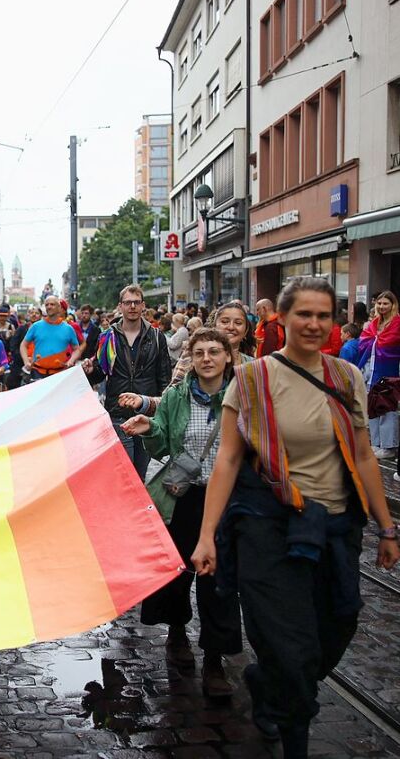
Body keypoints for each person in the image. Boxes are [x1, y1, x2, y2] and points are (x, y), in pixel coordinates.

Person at [191, 277, 398, 757]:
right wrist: (207, 537)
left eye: (323, 315)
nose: (314, 323)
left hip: (335, 526)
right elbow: (227, 459)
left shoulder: (347, 376)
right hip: (269, 524)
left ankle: (269, 683)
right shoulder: (251, 378)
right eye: (304, 313)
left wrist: (386, 528)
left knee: (341, 620)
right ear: (281, 319)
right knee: (291, 647)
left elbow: (364, 455)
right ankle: (294, 735)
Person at [121, 329, 242, 696]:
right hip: (182, 496)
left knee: (218, 583)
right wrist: (147, 429)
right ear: (190, 357)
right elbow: (162, 442)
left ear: (227, 357)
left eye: (214, 351)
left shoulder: (242, 395)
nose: (207, 358)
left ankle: (214, 662)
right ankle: (177, 634)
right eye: (200, 352)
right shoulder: (175, 395)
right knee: (177, 576)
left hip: (224, 500)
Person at [83, 285, 172, 479]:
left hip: (146, 414)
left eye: (136, 302)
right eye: (127, 302)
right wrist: (91, 370)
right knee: (123, 473)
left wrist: (163, 411)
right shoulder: (108, 336)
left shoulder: (157, 338)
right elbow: (101, 372)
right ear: (120, 306)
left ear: (143, 306)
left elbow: (164, 377)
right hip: (118, 412)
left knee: (140, 473)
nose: (132, 306)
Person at [357, 291, 400, 460]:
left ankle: (389, 446)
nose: (382, 306)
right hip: (371, 372)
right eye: (380, 303)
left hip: (390, 373)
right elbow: (365, 343)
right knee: (373, 408)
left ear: (393, 305)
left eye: (386, 304)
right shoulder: (374, 324)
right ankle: (376, 443)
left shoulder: (397, 324)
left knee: (387, 410)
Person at [20, 296, 84, 380]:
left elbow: (77, 349)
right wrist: (26, 362)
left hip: (60, 374)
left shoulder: (68, 329)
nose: (49, 307)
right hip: (37, 373)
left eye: (52, 304)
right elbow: (23, 345)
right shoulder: (36, 326)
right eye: (47, 305)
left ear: (59, 307)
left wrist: (71, 361)